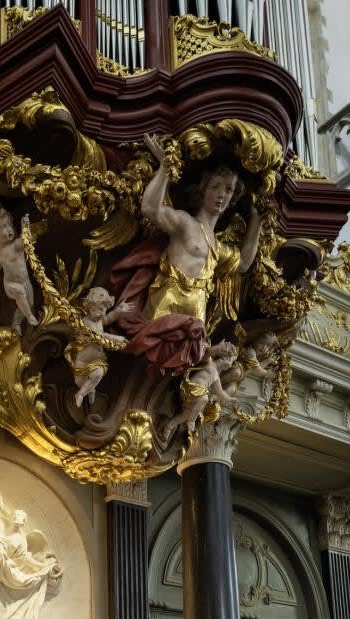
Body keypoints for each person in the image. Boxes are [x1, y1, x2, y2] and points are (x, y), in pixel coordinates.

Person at [110, 133, 262, 375]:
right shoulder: (185, 223)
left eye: (229, 189)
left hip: (195, 319)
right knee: (141, 370)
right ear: (203, 190)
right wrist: (165, 168)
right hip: (165, 306)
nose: (222, 194)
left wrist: (257, 219)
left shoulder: (218, 246)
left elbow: (243, 263)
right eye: (215, 187)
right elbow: (150, 208)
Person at [159, 341, 239, 447]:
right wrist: (219, 347)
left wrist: (229, 399)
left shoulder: (216, 376)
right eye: (231, 360)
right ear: (224, 357)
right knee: (204, 399)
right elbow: (207, 352)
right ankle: (191, 420)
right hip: (189, 388)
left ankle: (167, 428)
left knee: (186, 414)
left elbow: (220, 392)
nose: (231, 365)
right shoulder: (209, 362)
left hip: (195, 397)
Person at [65, 287, 132, 407]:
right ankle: (89, 390)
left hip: (97, 361)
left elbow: (108, 319)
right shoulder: (86, 322)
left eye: (103, 309)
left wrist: (118, 311)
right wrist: (117, 338)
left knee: (98, 373)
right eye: (97, 309)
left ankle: (81, 394)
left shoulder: (99, 320)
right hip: (82, 362)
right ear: (89, 308)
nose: (100, 313)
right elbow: (99, 336)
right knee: (80, 381)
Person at [0, 209, 39, 332]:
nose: (9, 229)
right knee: (21, 294)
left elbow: (27, 240)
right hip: (10, 285)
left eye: (9, 225)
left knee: (29, 304)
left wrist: (25, 226)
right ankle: (30, 317)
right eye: (3, 227)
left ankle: (16, 323)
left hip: (26, 282)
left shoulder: (17, 244)